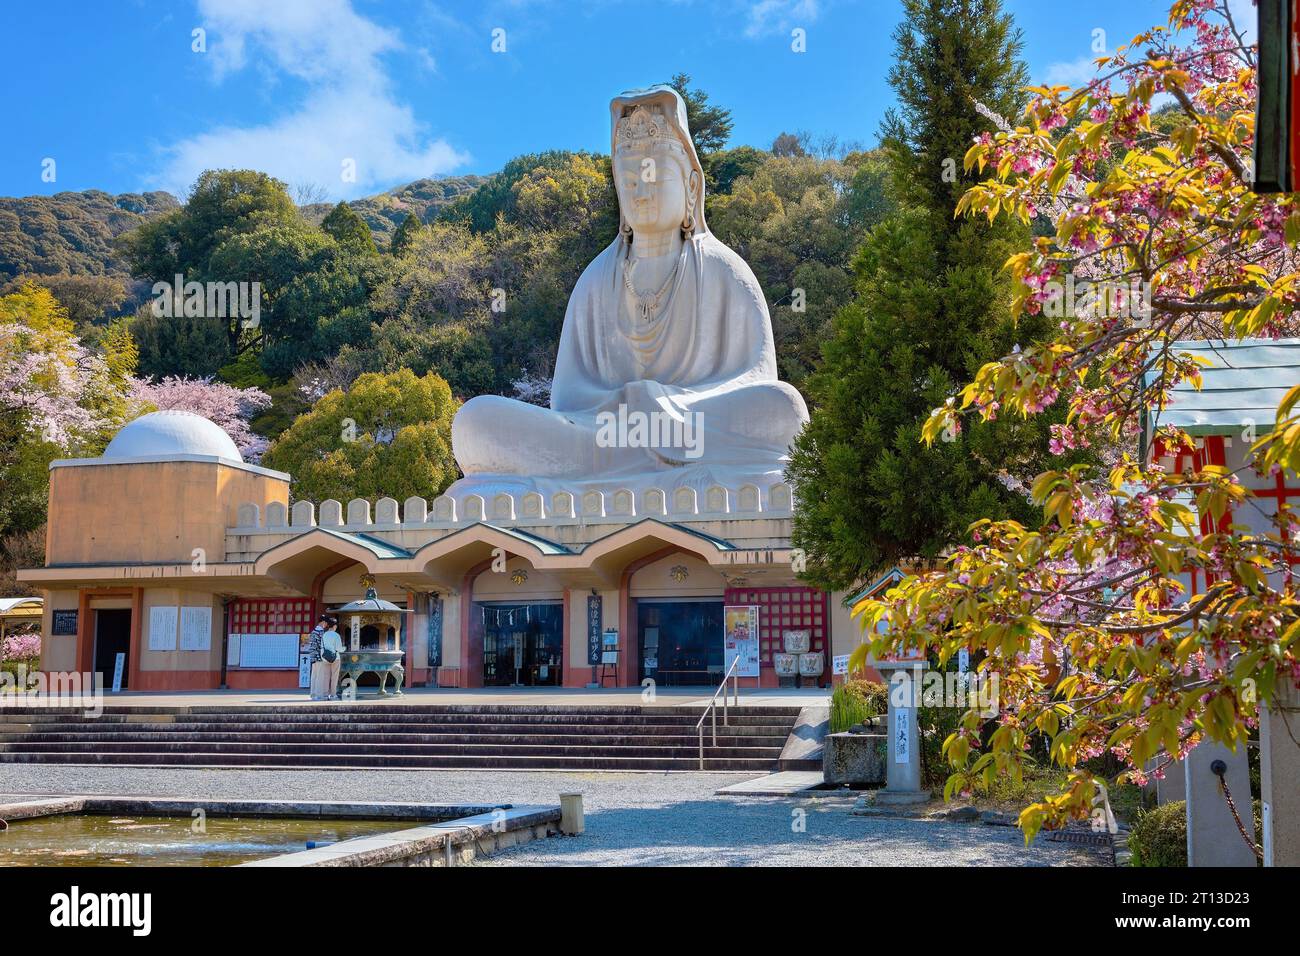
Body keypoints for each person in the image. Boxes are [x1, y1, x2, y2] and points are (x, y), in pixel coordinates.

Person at [318, 616, 344, 701]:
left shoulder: (324, 635)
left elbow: (321, 646)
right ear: (335, 626)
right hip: (335, 658)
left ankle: (325, 695)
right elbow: (339, 648)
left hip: (325, 658)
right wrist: (344, 648)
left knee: (326, 677)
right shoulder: (336, 635)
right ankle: (333, 695)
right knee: (334, 677)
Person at [307, 615, 329, 701]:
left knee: (314, 676)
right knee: (320, 676)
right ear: (323, 622)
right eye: (326, 623)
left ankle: (313, 694)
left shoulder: (313, 632)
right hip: (319, 657)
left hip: (313, 657)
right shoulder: (321, 632)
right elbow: (322, 646)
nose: (326, 625)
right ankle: (318, 695)